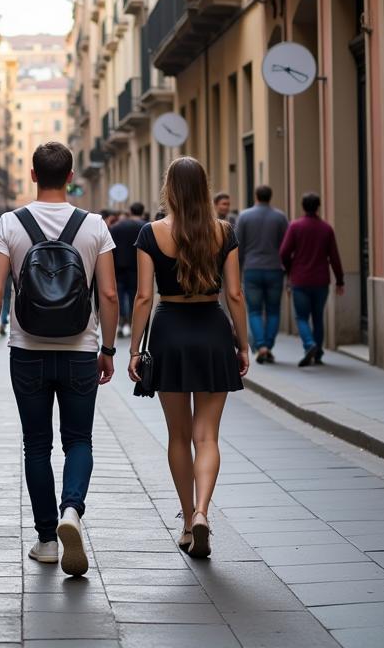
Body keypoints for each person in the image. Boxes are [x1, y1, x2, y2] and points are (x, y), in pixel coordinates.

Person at [0, 142, 119, 577]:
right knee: (79, 441)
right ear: (72, 174)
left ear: (34, 176)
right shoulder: (94, 225)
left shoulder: (10, 223)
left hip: (27, 350)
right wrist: (109, 349)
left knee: (36, 445)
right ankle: (71, 511)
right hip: (80, 350)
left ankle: (45, 540)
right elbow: (110, 294)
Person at [130, 157, 248, 560]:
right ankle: (202, 512)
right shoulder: (224, 232)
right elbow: (234, 295)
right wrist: (243, 344)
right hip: (213, 331)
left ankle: (185, 521)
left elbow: (144, 296)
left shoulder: (152, 233)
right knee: (207, 436)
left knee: (178, 436)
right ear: (204, 188)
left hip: (169, 333)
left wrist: (132, 349)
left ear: (169, 189)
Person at [280, 192, 345, 368]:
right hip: (321, 280)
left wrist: (289, 268)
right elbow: (334, 257)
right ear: (318, 207)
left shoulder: (295, 226)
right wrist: (340, 280)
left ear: (303, 206)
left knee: (301, 317)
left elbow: (284, 253)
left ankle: (309, 344)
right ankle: (318, 354)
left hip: (300, 280)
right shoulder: (326, 228)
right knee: (318, 317)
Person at [235, 186, 289, 365]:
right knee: (273, 310)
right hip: (275, 269)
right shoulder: (280, 217)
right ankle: (269, 345)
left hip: (252, 269)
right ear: (270, 196)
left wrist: (238, 270)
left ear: (255, 196)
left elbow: (238, 247)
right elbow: (286, 246)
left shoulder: (244, 216)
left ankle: (261, 346)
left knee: (255, 310)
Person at [110, 203, 147, 338]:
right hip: (138, 268)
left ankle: (120, 322)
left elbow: (111, 248)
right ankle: (132, 323)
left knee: (119, 295)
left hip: (119, 267)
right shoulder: (146, 227)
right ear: (143, 211)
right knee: (135, 295)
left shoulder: (117, 227)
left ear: (130, 211)